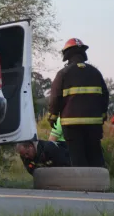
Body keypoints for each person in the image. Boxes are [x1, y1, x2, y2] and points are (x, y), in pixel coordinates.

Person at [47, 38, 110, 167]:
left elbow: (55, 97)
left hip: (71, 124)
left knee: (77, 156)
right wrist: (102, 115)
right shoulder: (95, 72)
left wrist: (52, 116)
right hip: (94, 124)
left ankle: (82, 186)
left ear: (67, 54)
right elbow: (105, 95)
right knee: (95, 154)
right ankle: (100, 184)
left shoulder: (63, 73)